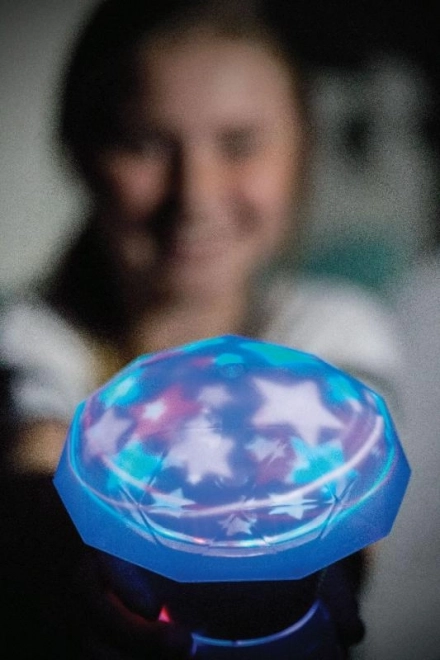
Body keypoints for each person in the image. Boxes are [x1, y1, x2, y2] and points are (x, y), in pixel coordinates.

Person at [0, 0, 403, 657]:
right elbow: (37, 470)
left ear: (302, 151)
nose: (195, 194)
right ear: (80, 153)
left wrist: (329, 570)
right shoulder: (32, 336)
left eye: (239, 144)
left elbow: (352, 499)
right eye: (144, 143)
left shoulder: (338, 327)